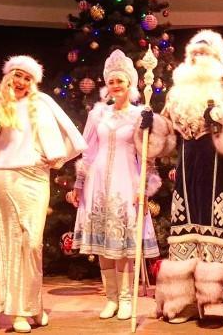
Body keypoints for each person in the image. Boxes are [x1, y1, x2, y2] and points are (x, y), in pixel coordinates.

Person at [153, 30, 223, 326]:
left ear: (218, 58)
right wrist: (152, 126)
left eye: (205, 53)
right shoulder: (176, 95)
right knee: (187, 236)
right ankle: (184, 301)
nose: (199, 58)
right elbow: (166, 136)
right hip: (189, 178)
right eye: (195, 54)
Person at [0, 55, 86, 334]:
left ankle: (33, 304)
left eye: (27, 77)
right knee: (14, 241)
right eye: (17, 75)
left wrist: (57, 158)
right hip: (6, 176)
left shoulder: (43, 102)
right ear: (8, 76)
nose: (21, 81)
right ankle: (19, 311)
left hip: (36, 177)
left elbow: (71, 136)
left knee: (34, 243)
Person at [68, 49, 162, 320]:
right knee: (103, 244)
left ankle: (126, 299)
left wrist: (144, 187)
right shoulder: (98, 114)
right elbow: (87, 151)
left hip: (125, 181)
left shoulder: (139, 114)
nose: (115, 85)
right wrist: (79, 183)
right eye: (111, 81)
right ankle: (111, 299)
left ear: (130, 83)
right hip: (97, 183)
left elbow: (148, 156)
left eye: (120, 80)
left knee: (122, 244)